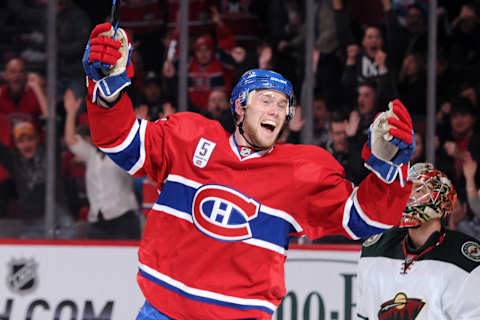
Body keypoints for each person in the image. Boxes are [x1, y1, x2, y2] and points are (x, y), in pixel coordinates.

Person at [82, 23, 416, 320]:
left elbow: (363, 219)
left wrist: (389, 171)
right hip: (162, 312)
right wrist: (108, 91)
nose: (277, 109)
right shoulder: (187, 138)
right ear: (240, 106)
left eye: (284, 105)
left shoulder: (301, 171)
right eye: (267, 100)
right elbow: (120, 141)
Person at [356, 163, 480, 319]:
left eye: (419, 189)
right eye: (406, 189)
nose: (409, 196)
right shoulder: (375, 248)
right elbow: (364, 314)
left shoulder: (466, 260)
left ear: (442, 201)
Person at [63, 89, 141, 240]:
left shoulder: (124, 152)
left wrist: (138, 127)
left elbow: (138, 149)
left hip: (123, 220)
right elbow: (70, 140)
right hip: (97, 221)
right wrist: (71, 112)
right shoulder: (92, 155)